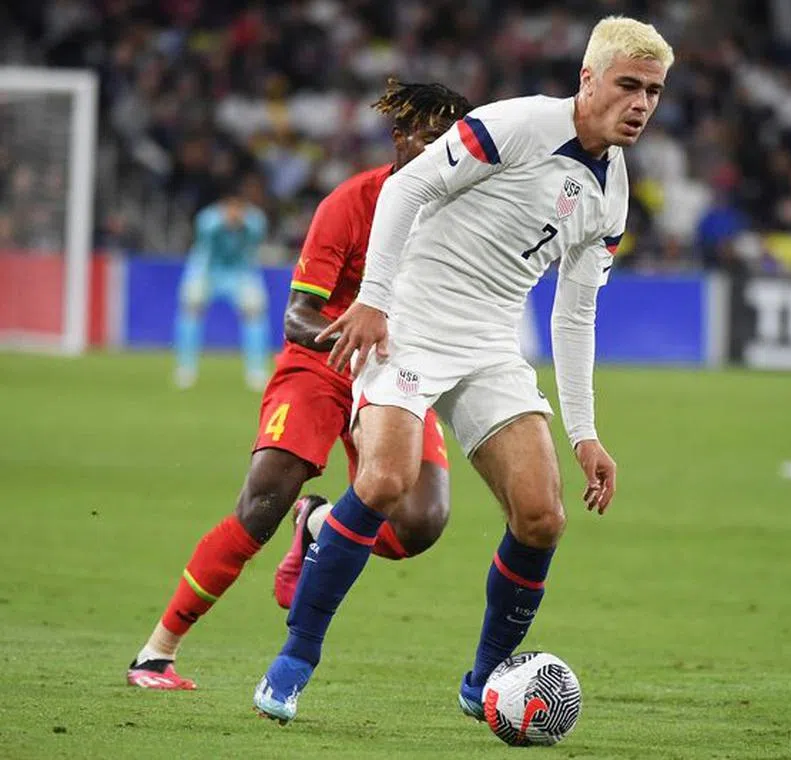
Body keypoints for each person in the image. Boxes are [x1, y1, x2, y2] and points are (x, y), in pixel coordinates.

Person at [252, 15, 674, 725]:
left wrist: (585, 433)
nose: (640, 104)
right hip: (410, 325)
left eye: (654, 92)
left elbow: (575, 314)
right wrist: (375, 302)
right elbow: (404, 190)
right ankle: (296, 659)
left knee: (541, 517)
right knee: (385, 480)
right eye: (628, 85)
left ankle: (483, 684)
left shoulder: (614, 194)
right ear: (588, 78)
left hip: (488, 344)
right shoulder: (515, 125)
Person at [126, 80, 473, 691]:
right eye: (429, 137)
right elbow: (296, 316)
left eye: (453, 143)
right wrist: (356, 336)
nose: (442, 154)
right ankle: (157, 652)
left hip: (399, 370)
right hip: (324, 363)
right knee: (264, 499)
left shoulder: (458, 214)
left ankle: (315, 523)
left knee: (421, 522)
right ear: (399, 138)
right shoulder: (349, 203)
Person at [173, 177, 270, 390]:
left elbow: (252, 245)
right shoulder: (208, 220)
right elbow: (204, 247)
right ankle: (186, 368)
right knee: (191, 309)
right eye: (230, 207)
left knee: (255, 312)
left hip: (240, 273)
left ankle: (256, 370)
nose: (235, 213)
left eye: (239, 208)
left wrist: (242, 224)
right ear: (223, 206)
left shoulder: (255, 220)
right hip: (207, 271)